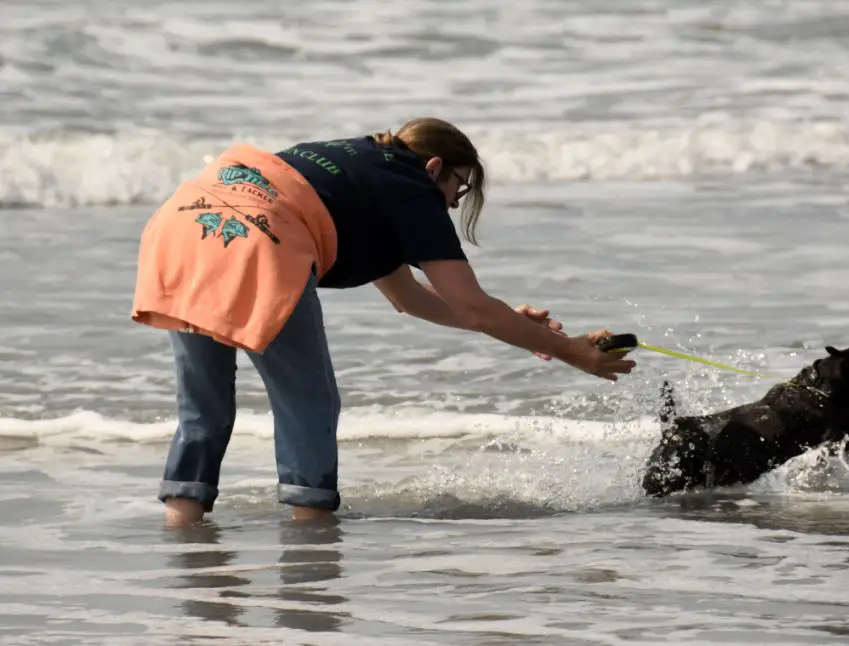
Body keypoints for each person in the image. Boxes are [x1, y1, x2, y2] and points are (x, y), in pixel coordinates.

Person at [130, 117, 636, 527]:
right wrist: (571, 350)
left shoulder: (356, 169)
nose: (456, 202)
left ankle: (184, 531)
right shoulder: (410, 184)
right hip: (258, 238)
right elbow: (473, 305)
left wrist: (515, 327)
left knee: (204, 405)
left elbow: (412, 298)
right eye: (458, 185)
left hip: (184, 222)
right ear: (433, 166)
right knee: (310, 401)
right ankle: (311, 530)